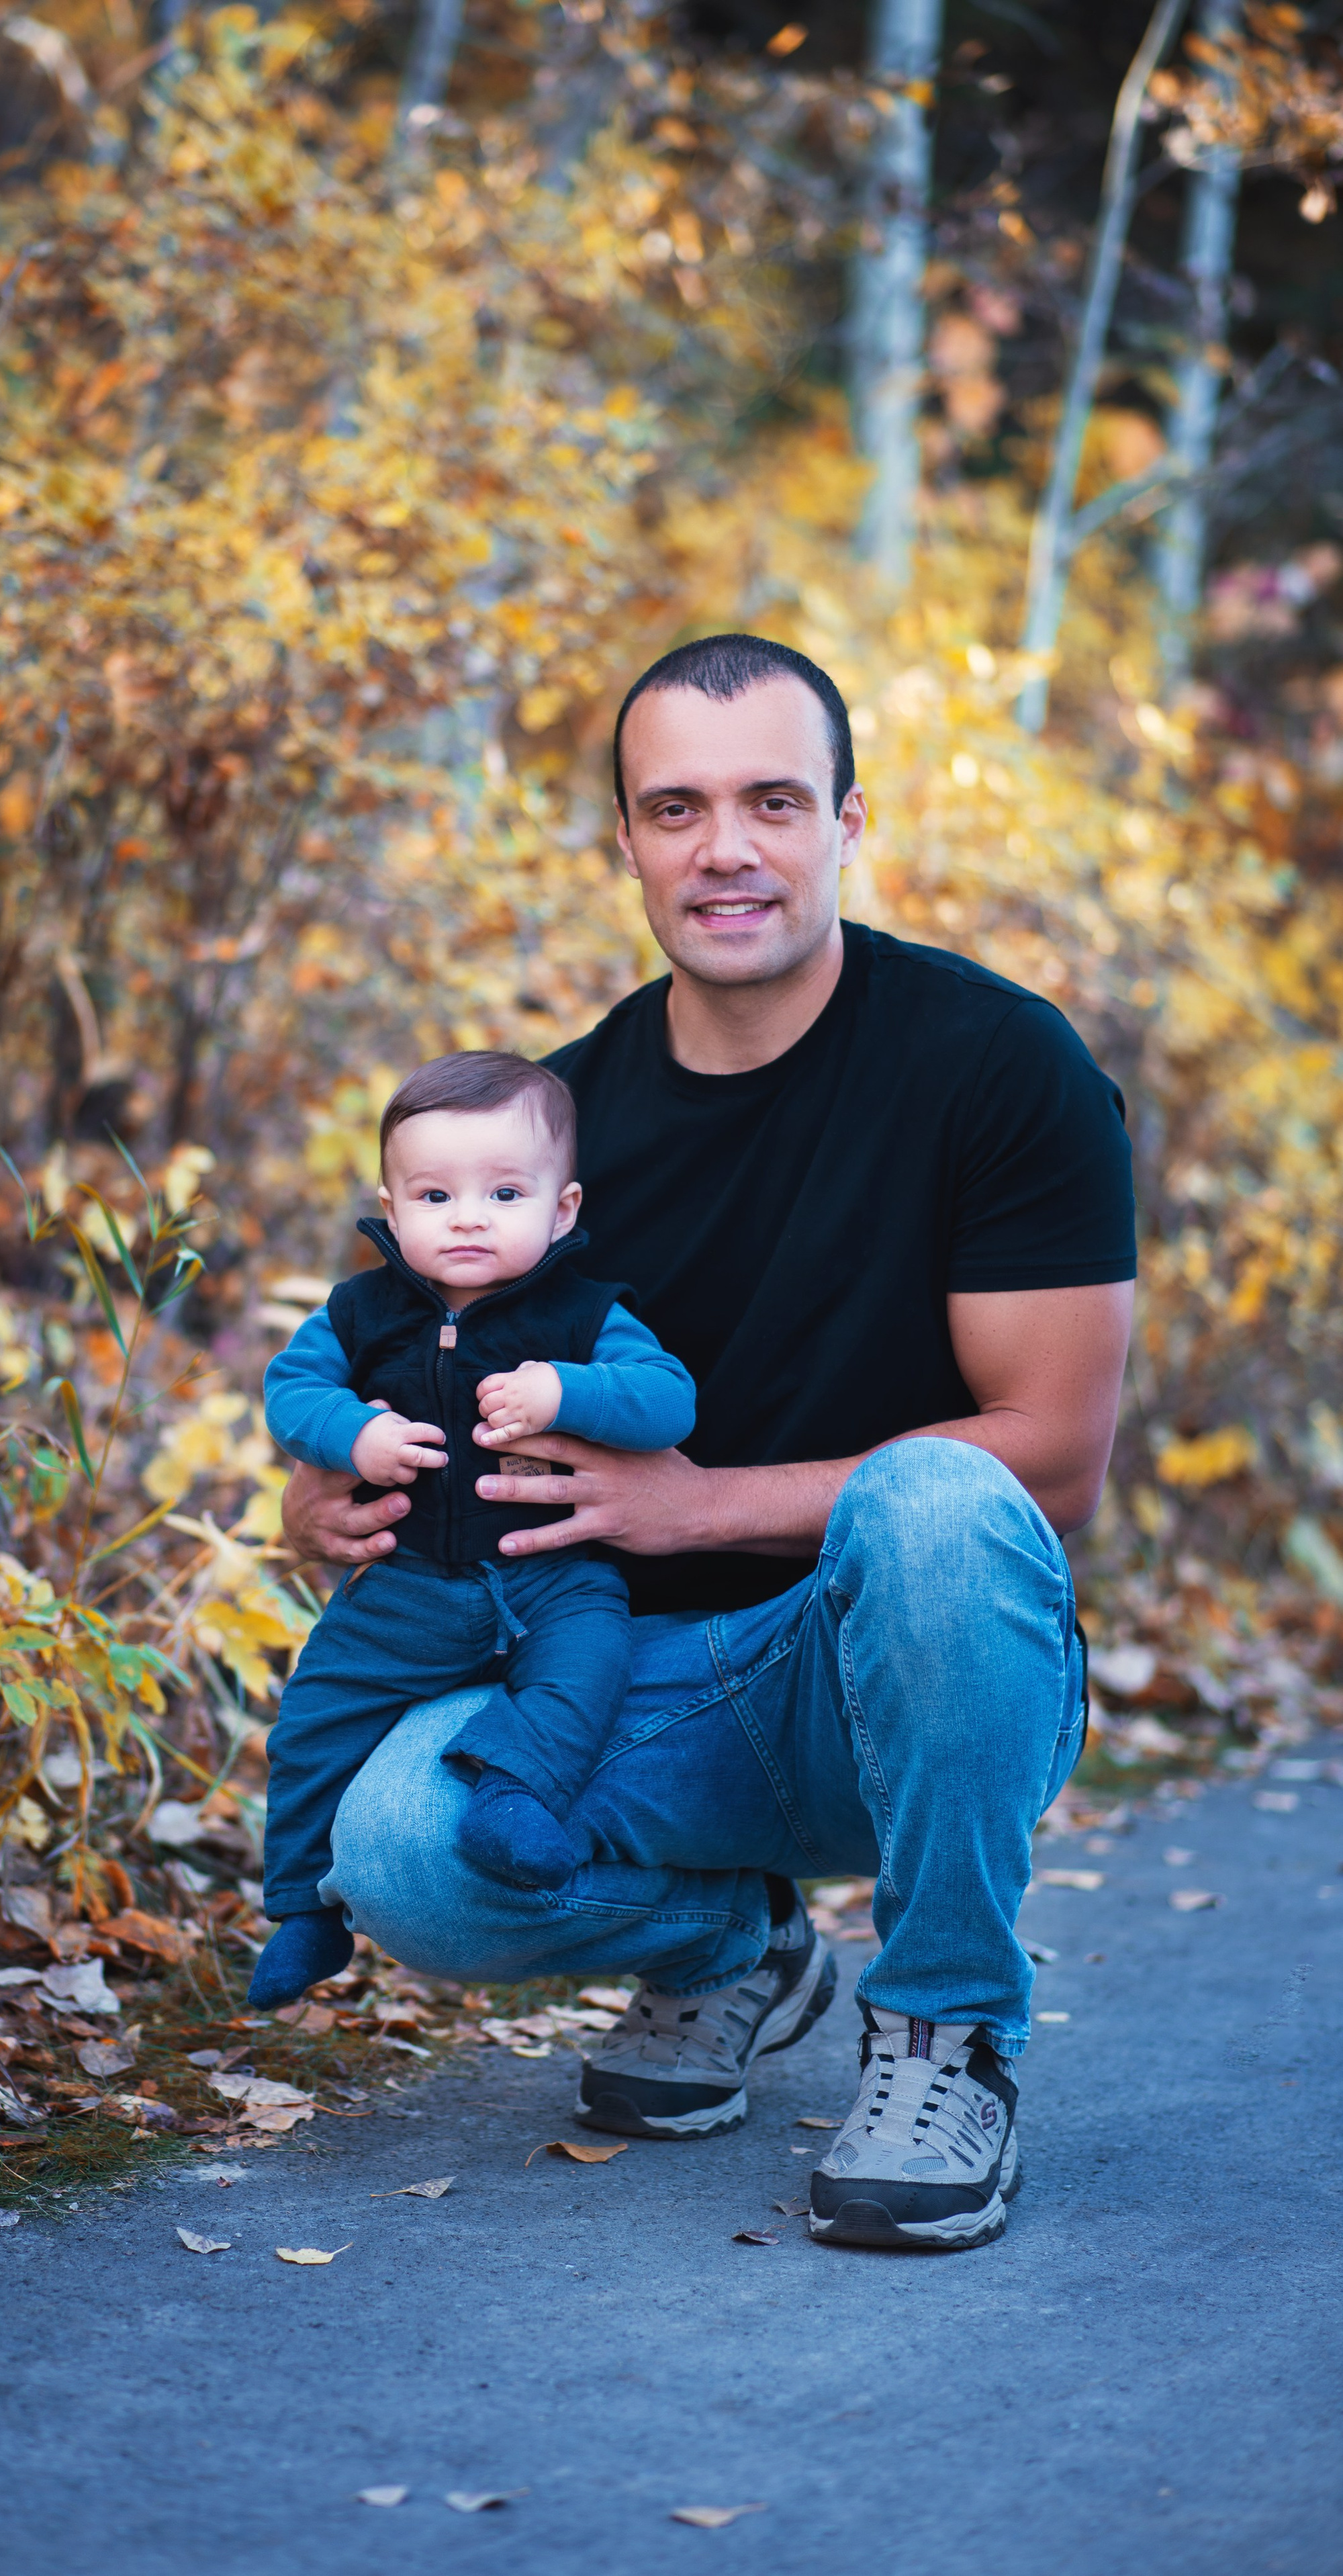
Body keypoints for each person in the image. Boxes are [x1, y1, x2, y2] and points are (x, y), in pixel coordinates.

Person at [278, 633, 1136, 2253]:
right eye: (674, 808)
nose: (722, 848)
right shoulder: (553, 1130)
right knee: (393, 1842)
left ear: (846, 820)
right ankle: (729, 1949)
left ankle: (946, 2031)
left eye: (769, 801)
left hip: (902, 1667)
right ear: (625, 839)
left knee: (936, 1497)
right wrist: (327, 1496)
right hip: (635, 1694)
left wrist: (690, 1509)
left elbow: (1053, 1459)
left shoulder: (997, 1067)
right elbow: (406, 1400)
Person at [250, 1049, 696, 2008]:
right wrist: (354, 1433)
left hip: (554, 1576)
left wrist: (565, 1389)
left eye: (503, 1191)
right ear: (392, 1206)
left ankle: (516, 1795)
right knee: (318, 1711)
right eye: (435, 1193)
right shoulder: (359, 1312)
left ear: (562, 1209)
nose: (467, 1216)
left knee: (586, 1673)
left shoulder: (585, 1316)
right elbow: (289, 1392)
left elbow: (669, 1403)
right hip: (405, 1579)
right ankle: (302, 1907)